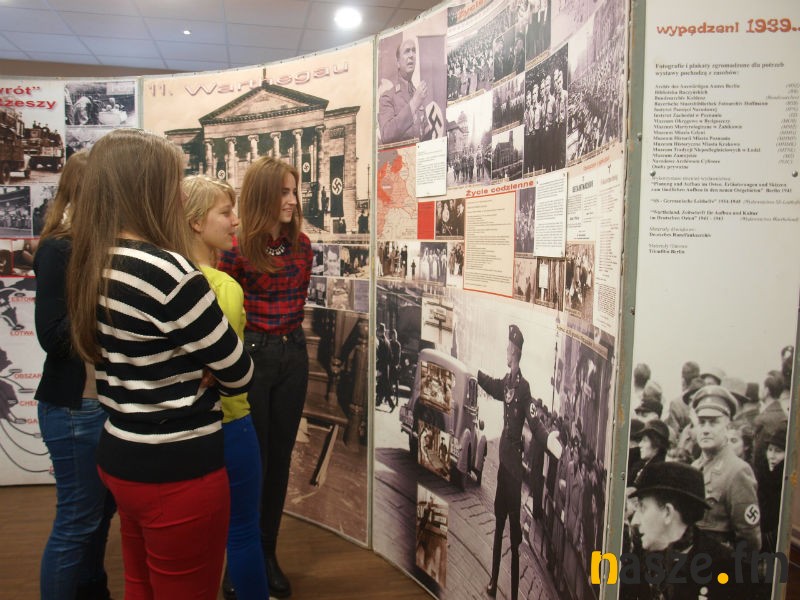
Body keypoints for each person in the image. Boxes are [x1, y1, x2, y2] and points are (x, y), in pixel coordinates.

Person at [66, 129, 254, 599]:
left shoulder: (95, 259)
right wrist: (204, 364)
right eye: (174, 181)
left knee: (141, 584)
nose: (180, 193)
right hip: (177, 467)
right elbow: (238, 372)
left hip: (121, 452)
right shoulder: (169, 272)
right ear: (147, 188)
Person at [218, 156, 312, 599]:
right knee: (251, 462)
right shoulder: (235, 248)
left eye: (294, 191)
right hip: (252, 356)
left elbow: (299, 301)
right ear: (261, 195)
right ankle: (242, 559)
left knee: (279, 460)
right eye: (283, 192)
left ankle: (267, 553)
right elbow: (222, 312)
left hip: (293, 355)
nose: (292, 200)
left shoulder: (301, 246)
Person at [182, 175, 269, 600]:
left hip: (179, 432)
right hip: (230, 424)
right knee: (243, 531)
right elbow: (229, 370)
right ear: (196, 221)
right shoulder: (223, 287)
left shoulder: (166, 280)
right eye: (226, 212)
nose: (236, 221)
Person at [33, 150, 115, 600]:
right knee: (76, 521)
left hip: (106, 405)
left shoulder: (108, 247)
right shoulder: (58, 249)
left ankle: (92, 587)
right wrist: (108, 301)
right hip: (75, 408)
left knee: (100, 515)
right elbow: (52, 335)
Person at [477, 324, 546, 600]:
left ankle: (515, 596)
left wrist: (549, 440)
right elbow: (491, 384)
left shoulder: (524, 388)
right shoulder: (506, 382)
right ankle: (493, 582)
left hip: (514, 472)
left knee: (515, 540)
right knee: (498, 528)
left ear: (514, 352)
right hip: (504, 469)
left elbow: (535, 422)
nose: (506, 352)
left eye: (508, 349)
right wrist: (475, 373)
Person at [624, 462, 736, 600]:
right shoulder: (636, 557)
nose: (635, 521)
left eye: (643, 508)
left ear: (667, 513)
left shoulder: (722, 565)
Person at [690, 385, 761, 553]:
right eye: (702, 422)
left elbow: (749, 540)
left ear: (728, 427)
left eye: (713, 422)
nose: (706, 430)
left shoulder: (738, 471)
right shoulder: (694, 467)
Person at [379, 37, 430, 144]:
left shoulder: (417, 93)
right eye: (407, 51)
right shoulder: (388, 97)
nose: (411, 55)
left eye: (413, 50)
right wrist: (414, 104)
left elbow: (426, 135)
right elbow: (386, 134)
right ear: (398, 62)